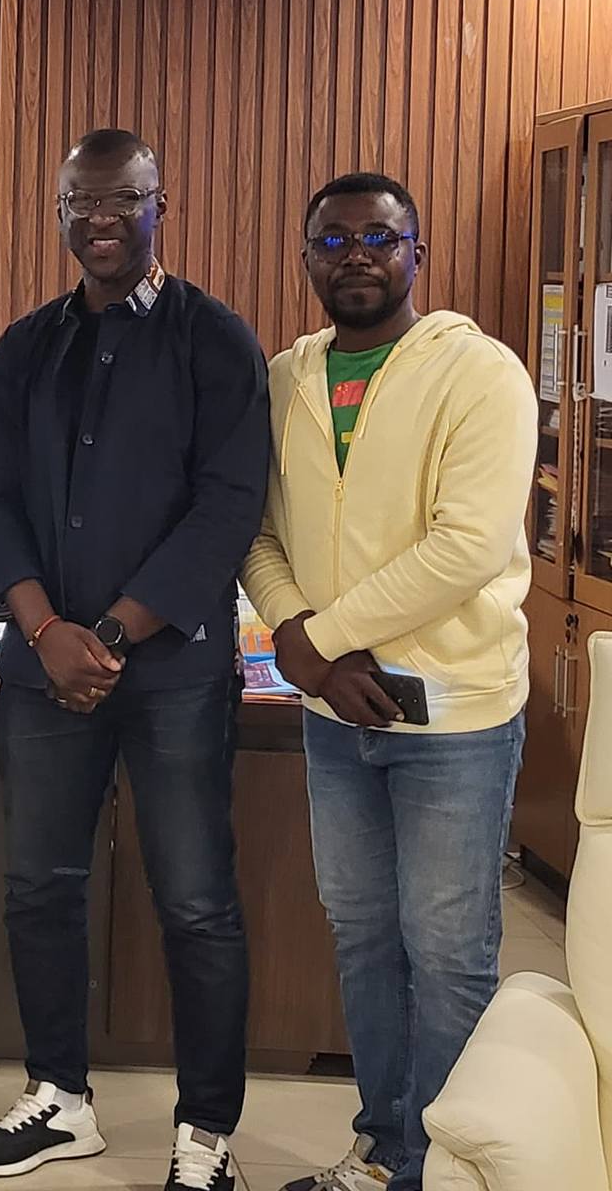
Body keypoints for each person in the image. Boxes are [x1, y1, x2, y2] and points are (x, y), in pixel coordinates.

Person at [0, 129, 269, 1191]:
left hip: (172, 670)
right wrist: (42, 628)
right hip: (42, 666)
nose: (99, 219)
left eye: (121, 200)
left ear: (158, 206)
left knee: (195, 901)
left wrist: (110, 634)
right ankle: (59, 1098)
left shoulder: (214, 339)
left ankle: (204, 1133)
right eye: (79, 203)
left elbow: (228, 507)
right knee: (37, 887)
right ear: (57, 213)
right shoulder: (24, 346)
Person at [241, 173, 534, 1191]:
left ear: (417, 254)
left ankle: (439, 1171)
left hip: (453, 718)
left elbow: (466, 545)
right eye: (332, 239)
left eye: (379, 236)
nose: (355, 254)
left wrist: (319, 640)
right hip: (337, 716)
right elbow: (260, 530)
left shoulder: (479, 373)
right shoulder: (285, 377)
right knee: (363, 939)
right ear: (305, 258)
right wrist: (299, 643)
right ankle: (381, 1152)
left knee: (446, 952)